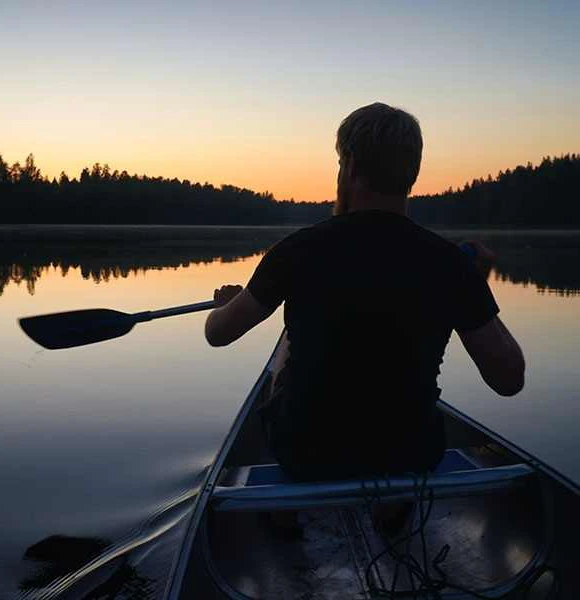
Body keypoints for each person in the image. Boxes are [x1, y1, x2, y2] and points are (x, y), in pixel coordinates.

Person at [204, 102, 525, 496]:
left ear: (350, 166)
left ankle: (284, 519)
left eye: (340, 161)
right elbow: (509, 380)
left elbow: (218, 334)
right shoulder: (449, 263)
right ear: (412, 173)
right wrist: (477, 288)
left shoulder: (296, 251)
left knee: (288, 342)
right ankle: (394, 508)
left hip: (307, 453)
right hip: (412, 452)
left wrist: (223, 307)